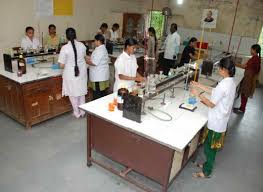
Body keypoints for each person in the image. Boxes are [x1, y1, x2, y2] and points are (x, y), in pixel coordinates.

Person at [190, 57, 236, 178]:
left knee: (210, 148)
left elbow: (211, 103)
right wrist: (199, 85)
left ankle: (206, 172)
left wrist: (197, 94)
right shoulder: (230, 81)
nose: (218, 70)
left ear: (224, 69)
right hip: (221, 119)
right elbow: (215, 91)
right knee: (209, 145)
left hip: (217, 121)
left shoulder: (224, 84)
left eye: (219, 68)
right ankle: (206, 165)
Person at [58, 28, 88, 118]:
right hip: (81, 72)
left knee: (72, 94)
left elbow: (61, 66)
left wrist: (59, 63)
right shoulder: (82, 45)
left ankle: (76, 113)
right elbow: (84, 57)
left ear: (67, 36)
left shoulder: (65, 48)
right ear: (75, 35)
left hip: (70, 74)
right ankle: (82, 112)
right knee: (81, 92)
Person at [233, 44, 261, 114]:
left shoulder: (254, 58)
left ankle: (242, 109)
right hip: (249, 78)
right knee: (244, 93)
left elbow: (244, 66)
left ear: (254, 50)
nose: (250, 50)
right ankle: (241, 108)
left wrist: (235, 64)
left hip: (249, 79)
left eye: (251, 49)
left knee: (244, 94)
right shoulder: (256, 58)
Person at [86, 34, 110, 100]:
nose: (94, 42)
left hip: (98, 76)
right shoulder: (100, 48)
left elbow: (94, 63)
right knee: (101, 93)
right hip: (100, 74)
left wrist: (85, 60)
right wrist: (88, 58)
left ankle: (97, 107)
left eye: (95, 41)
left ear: (98, 41)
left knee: (98, 94)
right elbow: (94, 58)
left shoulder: (100, 50)